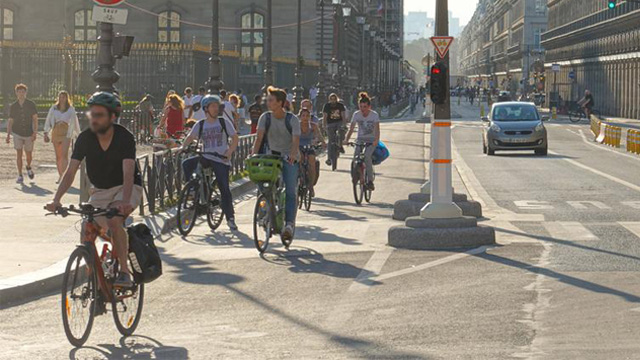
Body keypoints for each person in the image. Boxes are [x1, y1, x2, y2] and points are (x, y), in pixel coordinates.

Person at [45, 92, 143, 287]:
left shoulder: (124, 137)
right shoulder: (85, 138)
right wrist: (56, 200)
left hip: (126, 187)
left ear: (112, 117)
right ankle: (95, 284)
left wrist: (124, 202)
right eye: (92, 114)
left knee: (114, 220)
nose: (94, 118)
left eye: (99, 115)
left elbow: (128, 172)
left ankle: (124, 272)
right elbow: (70, 171)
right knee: (87, 228)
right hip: (100, 190)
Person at [181, 94, 239, 231]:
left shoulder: (223, 122)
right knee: (187, 164)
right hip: (206, 156)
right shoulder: (200, 124)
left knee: (224, 188)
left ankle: (230, 218)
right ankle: (193, 190)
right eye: (212, 106)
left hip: (220, 159)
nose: (215, 109)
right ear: (206, 109)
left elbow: (235, 138)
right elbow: (190, 137)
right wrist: (182, 148)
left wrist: (229, 152)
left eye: (217, 106)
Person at [252, 86, 301, 241]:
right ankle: (265, 210)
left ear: (280, 102)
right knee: (263, 185)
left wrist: (292, 155)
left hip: (289, 157)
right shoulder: (265, 118)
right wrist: (254, 155)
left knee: (290, 191)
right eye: (267, 99)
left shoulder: (292, 119)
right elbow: (259, 138)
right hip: (272, 157)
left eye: (271, 100)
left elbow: (295, 141)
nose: (268, 102)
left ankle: (289, 224)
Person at [344, 92, 380, 190]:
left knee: (367, 157)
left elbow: (377, 130)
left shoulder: (374, 115)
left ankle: (370, 181)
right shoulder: (356, 114)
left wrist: (376, 140)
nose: (362, 109)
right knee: (355, 157)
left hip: (371, 140)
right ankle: (355, 176)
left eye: (364, 107)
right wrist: (346, 140)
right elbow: (351, 129)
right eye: (360, 106)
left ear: (369, 106)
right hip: (360, 140)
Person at [44, 91, 81, 183]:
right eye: (60, 97)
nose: (62, 99)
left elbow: (75, 121)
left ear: (67, 98)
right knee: (58, 156)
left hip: (66, 132)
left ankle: (64, 177)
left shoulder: (70, 109)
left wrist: (78, 133)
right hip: (56, 130)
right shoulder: (54, 108)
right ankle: (60, 174)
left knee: (64, 155)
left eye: (64, 97)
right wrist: (46, 131)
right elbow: (48, 119)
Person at [6, 84, 38, 183]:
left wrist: (35, 132)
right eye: (19, 92)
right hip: (17, 132)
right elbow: (10, 120)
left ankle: (28, 166)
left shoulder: (31, 104)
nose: (21, 93)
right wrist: (8, 134)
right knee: (19, 154)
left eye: (23, 91)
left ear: (25, 93)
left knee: (29, 154)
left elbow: (35, 119)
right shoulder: (13, 106)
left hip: (29, 132)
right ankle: (20, 174)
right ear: (16, 93)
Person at [298, 107, 326, 197]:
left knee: (312, 162)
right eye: (303, 116)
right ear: (300, 117)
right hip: (299, 147)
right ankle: (300, 178)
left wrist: (322, 142)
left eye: (307, 116)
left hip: (309, 146)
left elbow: (319, 135)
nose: (305, 118)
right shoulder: (296, 125)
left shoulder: (313, 126)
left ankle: (311, 186)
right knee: (300, 159)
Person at [322, 93, 347, 167]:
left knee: (341, 132)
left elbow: (343, 115)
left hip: (339, 122)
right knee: (330, 140)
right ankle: (329, 158)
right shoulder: (327, 106)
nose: (333, 101)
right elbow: (325, 117)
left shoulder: (340, 105)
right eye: (331, 99)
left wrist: (344, 124)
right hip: (330, 123)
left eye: (334, 99)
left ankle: (340, 145)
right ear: (329, 99)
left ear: (337, 99)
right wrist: (324, 126)